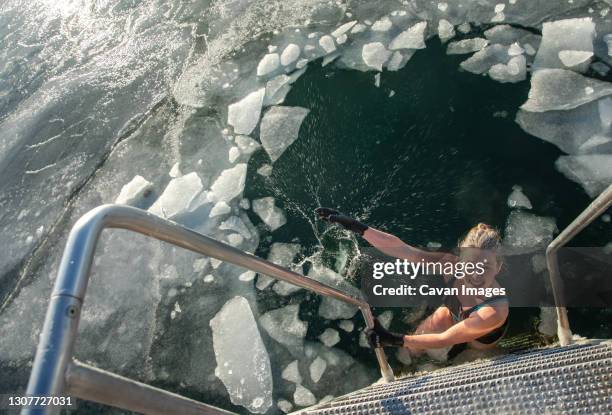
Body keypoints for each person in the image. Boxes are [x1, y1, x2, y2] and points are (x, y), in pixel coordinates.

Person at [315, 207, 509, 356]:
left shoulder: (494, 311)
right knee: (414, 346)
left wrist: (394, 339)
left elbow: (444, 339)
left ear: (498, 267)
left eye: (485, 268)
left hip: (482, 335)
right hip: (453, 311)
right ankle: (408, 361)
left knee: (474, 354)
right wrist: (358, 227)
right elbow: (404, 250)